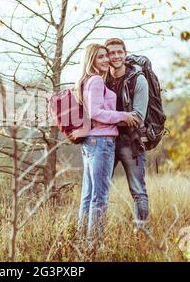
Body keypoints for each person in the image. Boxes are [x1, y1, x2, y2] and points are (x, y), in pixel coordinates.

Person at [71, 43, 138, 246]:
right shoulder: (97, 81)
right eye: (100, 57)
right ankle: (94, 244)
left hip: (91, 142)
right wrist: (124, 116)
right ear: (91, 59)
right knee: (99, 197)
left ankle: (81, 240)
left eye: (105, 56)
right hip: (101, 142)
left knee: (88, 195)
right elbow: (97, 113)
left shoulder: (86, 81)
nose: (106, 60)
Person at [103, 38, 150, 233]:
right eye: (111, 53)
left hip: (130, 142)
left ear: (125, 53)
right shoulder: (101, 78)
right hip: (105, 141)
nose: (115, 56)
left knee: (138, 191)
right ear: (107, 56)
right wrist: (121, 117)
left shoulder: (138, 80)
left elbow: (138, 117)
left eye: (119, 52)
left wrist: (105, 118)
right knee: (100, 191)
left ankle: (141, 234)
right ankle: (96, 235)